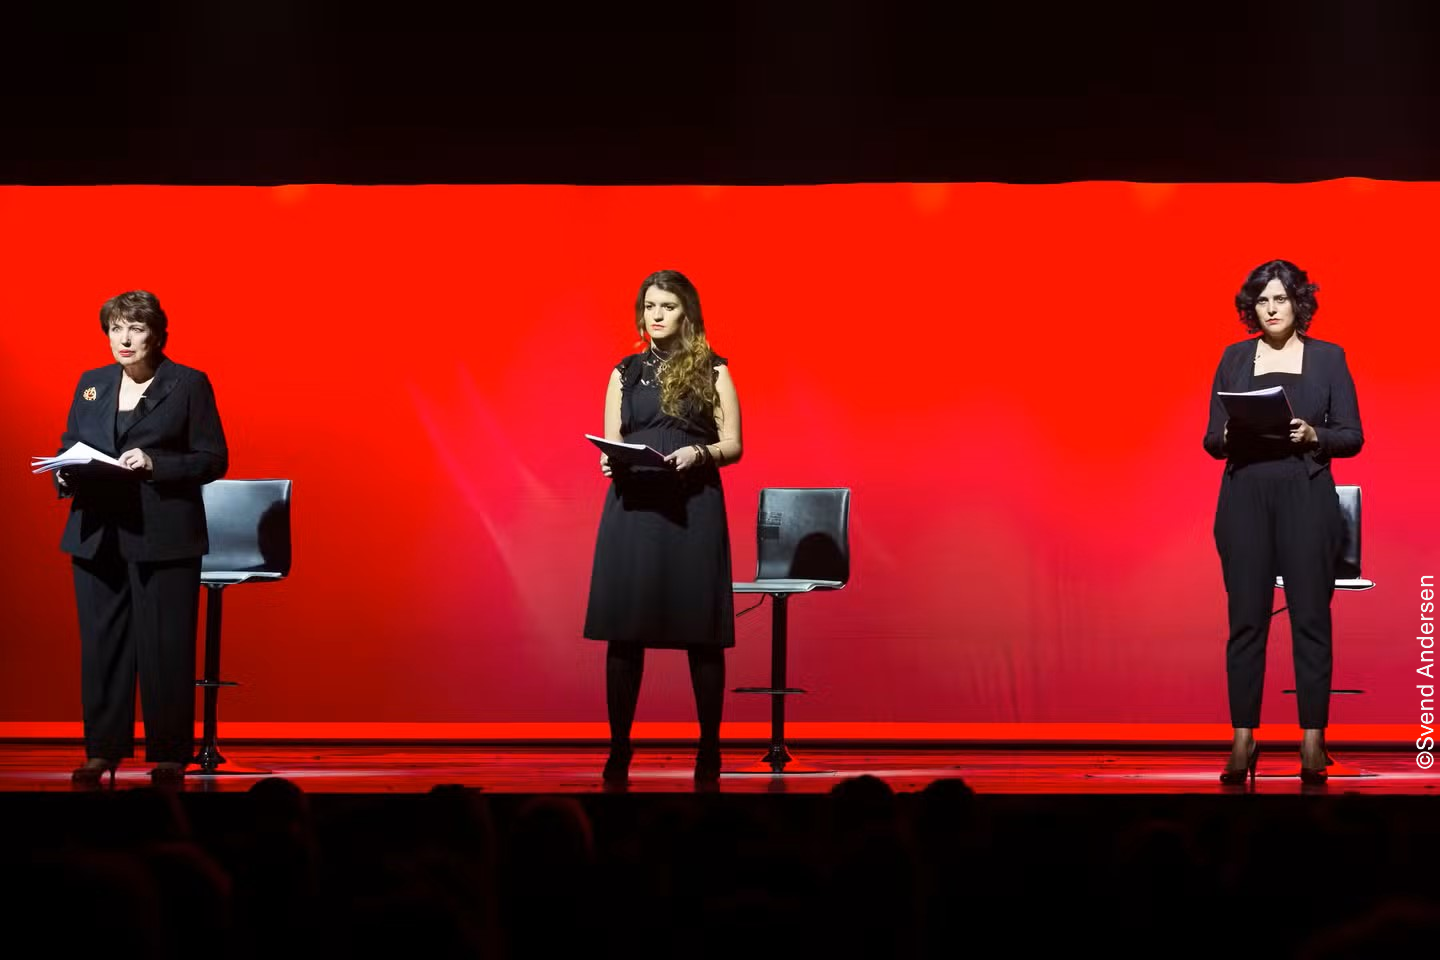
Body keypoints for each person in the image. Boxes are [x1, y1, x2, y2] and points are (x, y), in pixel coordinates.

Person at [56, 290, 228, 787]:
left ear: (157, 334)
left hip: (163, 537)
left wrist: (156, 465)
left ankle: (169, 754)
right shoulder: (92, 384)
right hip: (97, 535)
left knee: (166, 648)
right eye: (115, 328)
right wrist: (64, 473)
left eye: (135, 328)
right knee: (102, 649)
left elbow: (212, 459)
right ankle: (102, 751)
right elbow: (70, 445)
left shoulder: (188, 384)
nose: (124, 339)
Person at [1203, 260, 1363, 784]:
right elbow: (1210, 439)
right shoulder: (1233, 358)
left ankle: (1313, 740)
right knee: (1246, 621)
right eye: (1262, 301)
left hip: (1306, 496)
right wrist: (1228, 436)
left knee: (1310, 621)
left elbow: (1353, 435)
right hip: (1245, 496)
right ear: (1252, 308)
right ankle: (1243, 738)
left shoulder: (1328, 359)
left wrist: (1313, 435)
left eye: (1281, 299)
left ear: (1299, 304)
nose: (1271, 309)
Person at [583, 270, 742, 787]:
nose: (655, 314)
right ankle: (619, 749)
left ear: (686, 313)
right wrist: (611, 463)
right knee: (625, 635)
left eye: (667, 306)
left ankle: (709, 750)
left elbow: (734, 444)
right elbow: (614, 439)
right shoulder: (623, 372)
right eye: (649, 305)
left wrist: (699, 453)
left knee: (702, 635)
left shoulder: (713, 369)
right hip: (634, 508)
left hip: (692, 504)